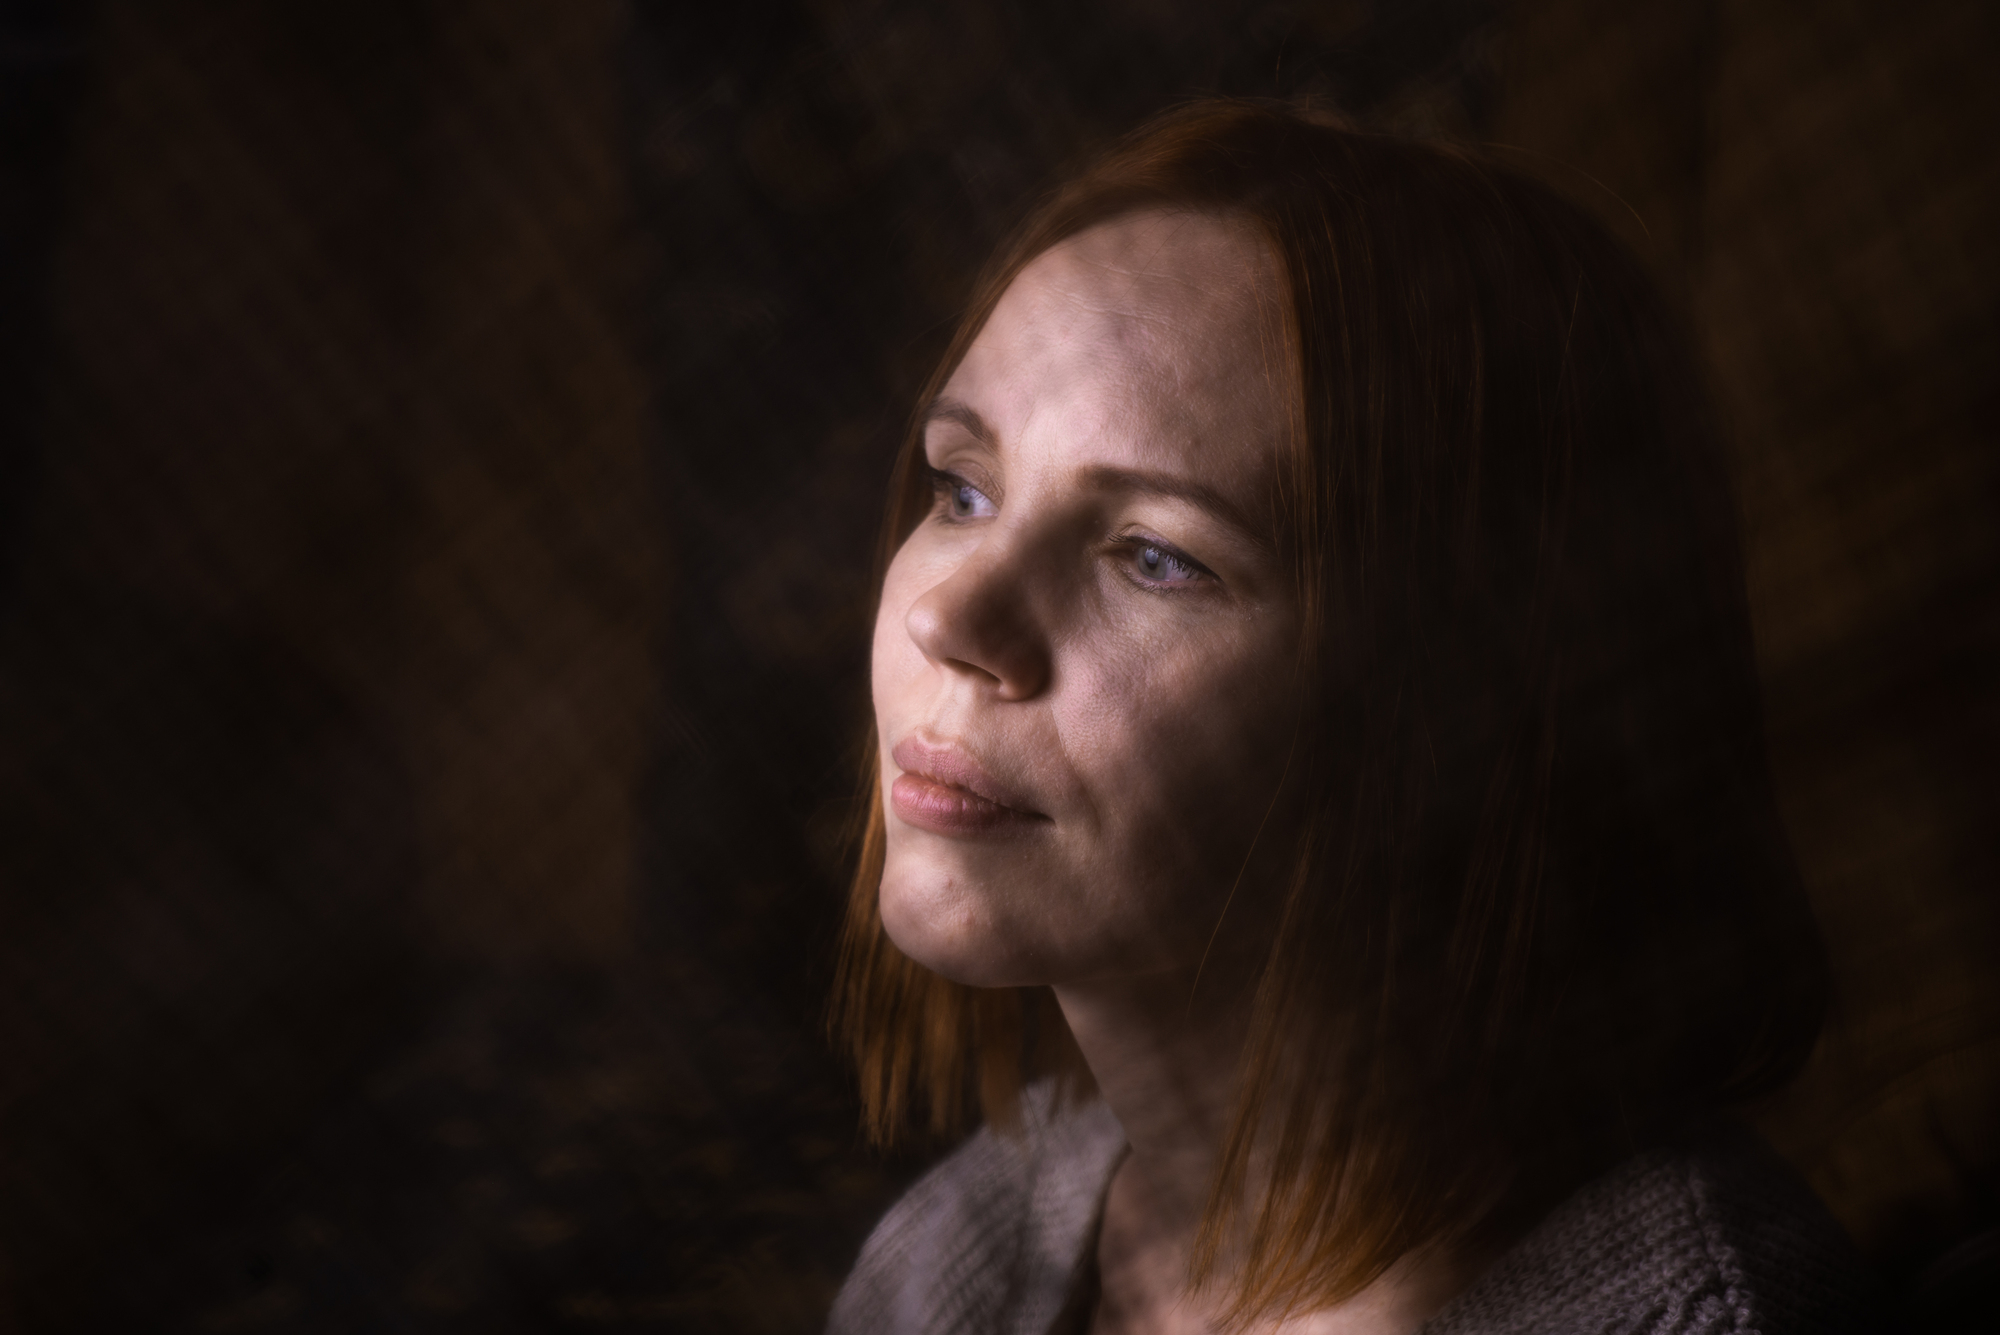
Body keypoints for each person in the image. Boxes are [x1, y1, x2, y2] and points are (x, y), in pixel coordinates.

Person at [825, 100, 1878, 1335]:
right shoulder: (961, 1255)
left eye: (1156, 558)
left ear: (1456, 701)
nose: (952, 616)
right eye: (962, 488)